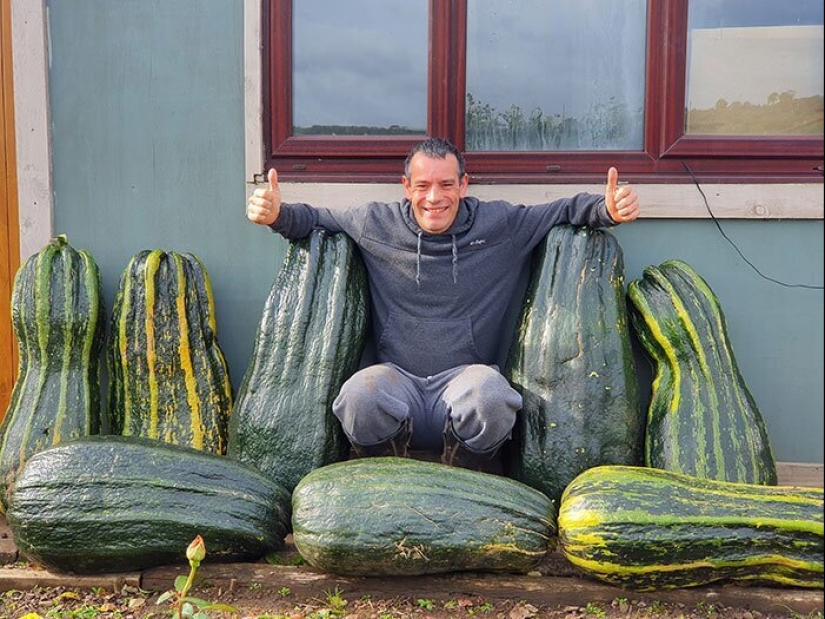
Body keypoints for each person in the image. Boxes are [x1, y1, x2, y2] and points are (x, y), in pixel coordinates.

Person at [246, 137, 640, 471]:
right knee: (358, 397)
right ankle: (386, 485)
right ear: (406, 186)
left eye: (446, 185)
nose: (434, 197)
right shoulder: (375, 224)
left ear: (464, 184)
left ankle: (461, 490)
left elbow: (562, 211)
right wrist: (276, 215)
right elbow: (315, 219)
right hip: (398, 384)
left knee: (493, 396)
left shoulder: (499, 226)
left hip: (464, 386)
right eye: (422, 185)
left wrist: (607, 209)